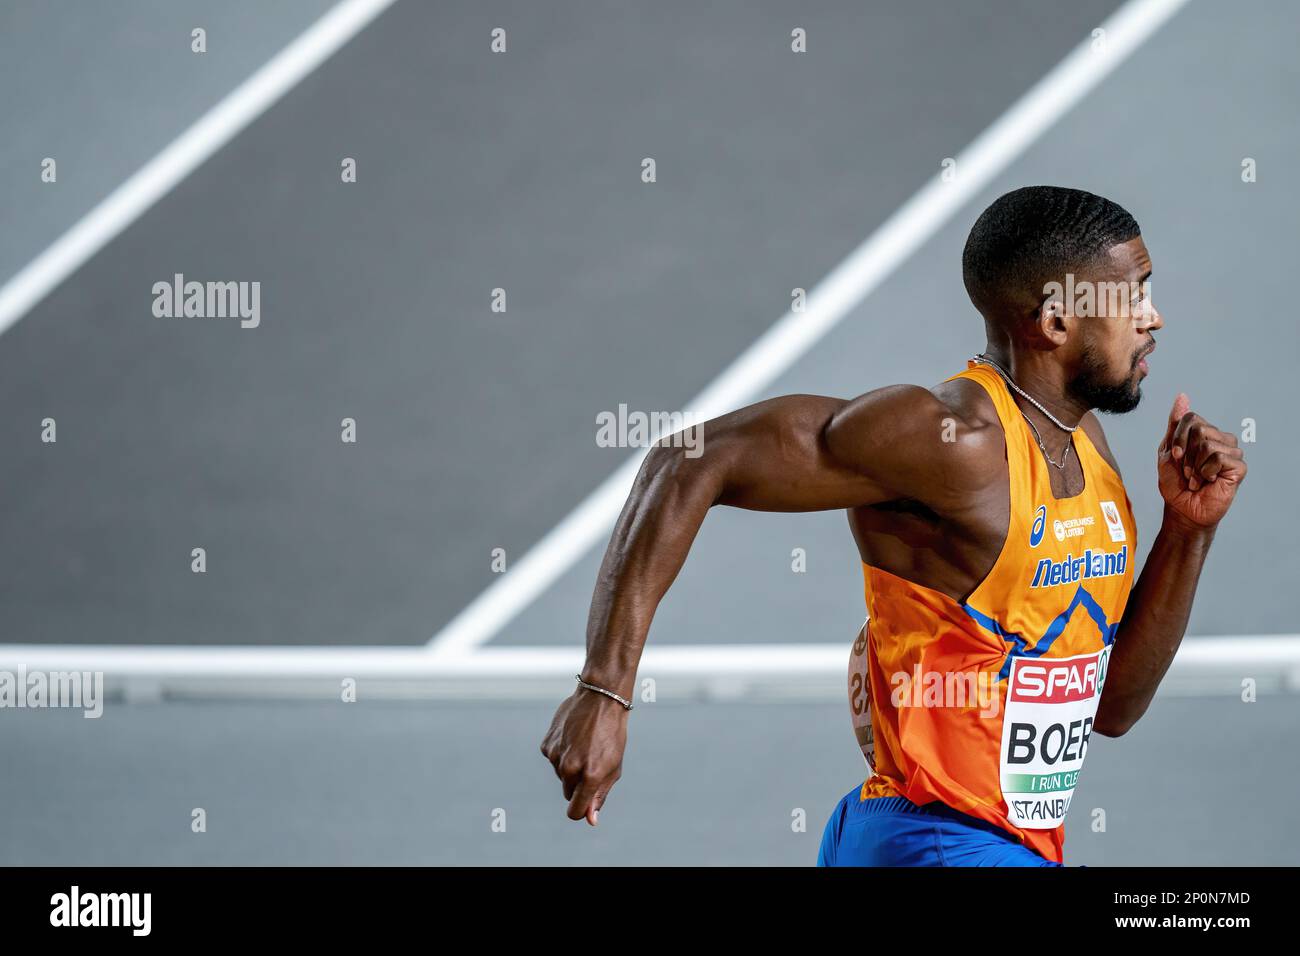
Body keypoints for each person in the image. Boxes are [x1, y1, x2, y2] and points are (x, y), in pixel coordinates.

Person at [540, 186, 1246, 865]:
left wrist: (1187, 531)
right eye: (1133, 297)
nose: (1154, 318)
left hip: (982, 847)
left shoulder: (1085, 443)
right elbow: (688, 460)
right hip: (931, 842)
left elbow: (1113, 707)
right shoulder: (953, 441)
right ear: (1056, 323)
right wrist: (604, 691)